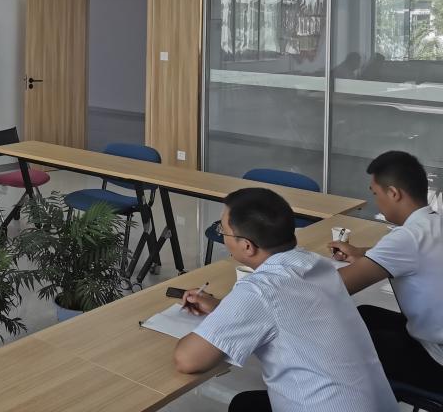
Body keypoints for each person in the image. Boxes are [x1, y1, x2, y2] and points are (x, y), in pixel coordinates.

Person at [173, 187, 395, 412]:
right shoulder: (315, 263)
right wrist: (223, 308)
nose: (221, 235)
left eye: (223, 230)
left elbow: (188, 360)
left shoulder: (261, 289)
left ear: (247, 246)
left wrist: (222, 316)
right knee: (246, 404)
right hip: (374, 405)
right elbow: (285, 310)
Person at [330, 150, 443, 393]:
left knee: (340, 342)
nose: (375, 202)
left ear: (393, 193)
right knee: (365, 315)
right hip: (434, 337)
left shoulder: (407, 237)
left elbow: (333, 287)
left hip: (437, 362)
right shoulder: (434, 223)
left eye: (375, 194)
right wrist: (362, 253)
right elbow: (417, 254)